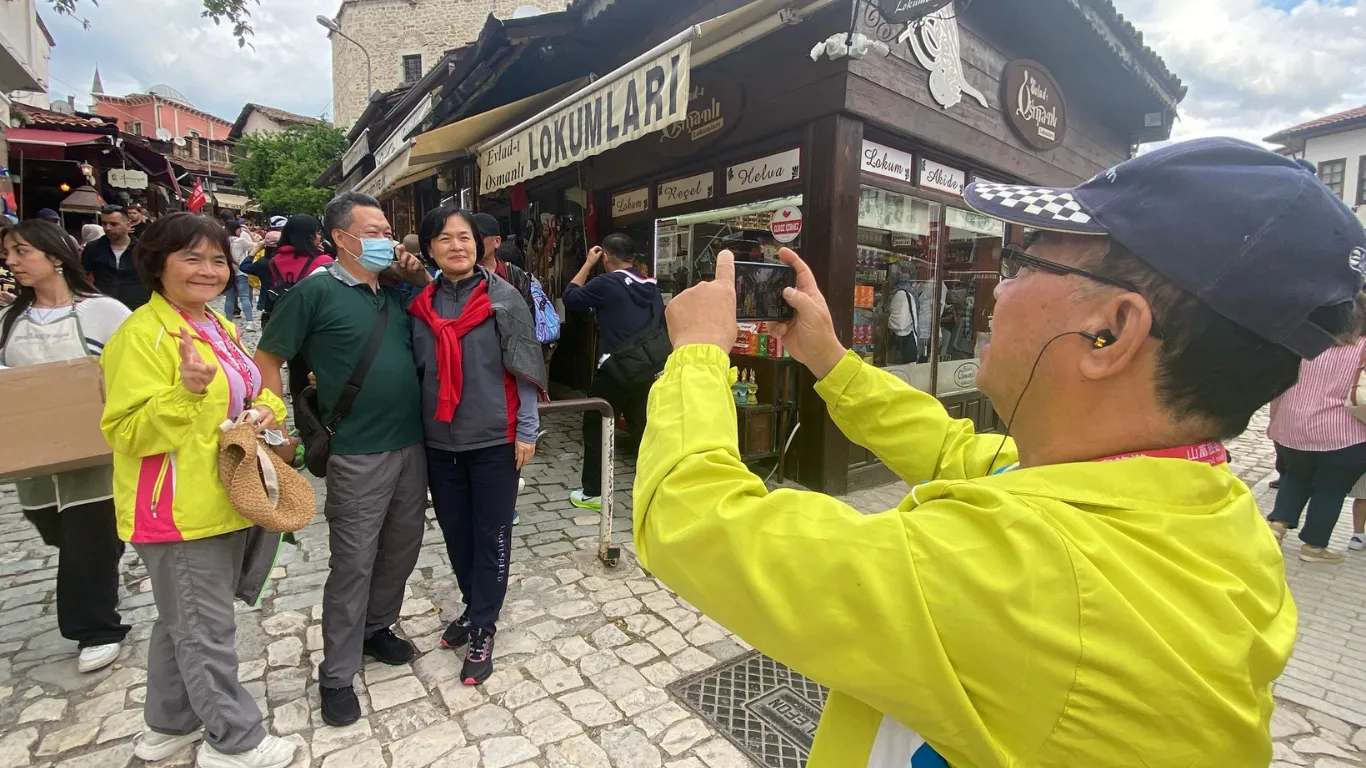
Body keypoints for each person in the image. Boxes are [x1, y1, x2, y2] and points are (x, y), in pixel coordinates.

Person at [636, 138, 1366, 766]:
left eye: (1021, 260)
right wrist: (830, 359)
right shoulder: (1190, 506)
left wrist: (699, 354)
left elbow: (692, 522)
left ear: (1111, 330)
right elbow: (962, 450)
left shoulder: (1026, 576)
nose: (994, 287)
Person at [100, 212, 295, 768]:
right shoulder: (141, 336)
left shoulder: (217, 326)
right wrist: (185, 393)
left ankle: (168, 725)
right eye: (192, 258)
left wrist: (262, 410)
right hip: (176, 510)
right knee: (204, 629)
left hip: (223, 496)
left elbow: (256, 393)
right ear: (157, 264)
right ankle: (233, 741)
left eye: (217, 260)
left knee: (180, 619)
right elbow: (126, 431)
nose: (209, 270)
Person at [252, 192, 427, 728]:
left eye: (388, 229)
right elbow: (268, 355)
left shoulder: (395, 292)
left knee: (401, 548)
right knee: (352, 562)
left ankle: (378, 628)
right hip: (356, 452)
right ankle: (336, 674)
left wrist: (416, 276)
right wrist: (273, 417)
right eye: (373, 230)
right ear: (341, 238)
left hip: (412, 445)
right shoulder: (315, 291)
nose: (386, 239)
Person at [409, 205, 546, 684]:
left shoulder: (504, 298)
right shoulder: (421, 305)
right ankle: (473, 608)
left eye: (464, 237)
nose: (457, 246)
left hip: (494, 439)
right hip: (440, 441)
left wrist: (526, 430)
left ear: (480, 243)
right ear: (429, 249)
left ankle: (484, 624)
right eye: (444, 239)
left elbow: (524, 366)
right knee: (456, 534)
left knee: (491, 536)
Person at [0, 220, 131, 674]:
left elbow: (135, 371)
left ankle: (95, 628)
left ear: (56, 256)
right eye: (10, 254)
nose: (12, 262)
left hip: (97, 452)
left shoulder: (103, 313)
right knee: (59, 532)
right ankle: (100, 574)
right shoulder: (10, 321)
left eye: (21, 252)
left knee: (87, 537)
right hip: (36, 460)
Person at [563, 233, 664, 510]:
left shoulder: (607, 283)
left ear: (605, 257)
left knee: (597, 425)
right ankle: (660, 492)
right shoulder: (650, 286)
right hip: (646, 368)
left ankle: (593, 493)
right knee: (644, 430)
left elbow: (570, 297)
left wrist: (586, 263)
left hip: (616, 369)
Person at [1266, 333, 1366, 562]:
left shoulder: (1311, 339)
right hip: (1345, 432)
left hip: (1294, 425)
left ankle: (1277, 525)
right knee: (1331, 488)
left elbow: (1280, 383)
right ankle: (1314, 546)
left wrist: (1275, 420)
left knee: (1296, 476)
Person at [83, 206, 147, 309]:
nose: (108, 228)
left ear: (128, 225)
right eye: (104, 224)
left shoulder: (142, 250)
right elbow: (82, 275)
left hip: (136, 308)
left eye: (114, 224)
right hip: (103, 307)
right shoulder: (93, 248)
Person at [471, 213, 533, 313]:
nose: (474, 242)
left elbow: (528, 320)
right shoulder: (463, 276)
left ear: (497, 241)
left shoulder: (515, 275)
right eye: (469, 237)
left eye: (480, 237)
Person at [223, 220, 256, 328]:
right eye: (239, 229)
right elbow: (256, 246)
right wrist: (250, 233)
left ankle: (228, 322)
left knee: (229, 298)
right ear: (235, 229)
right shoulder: (241, 241)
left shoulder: (222, 242)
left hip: (228, 272)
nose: (241, 231)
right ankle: (250, 322)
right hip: (241, 271)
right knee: (244, 297)